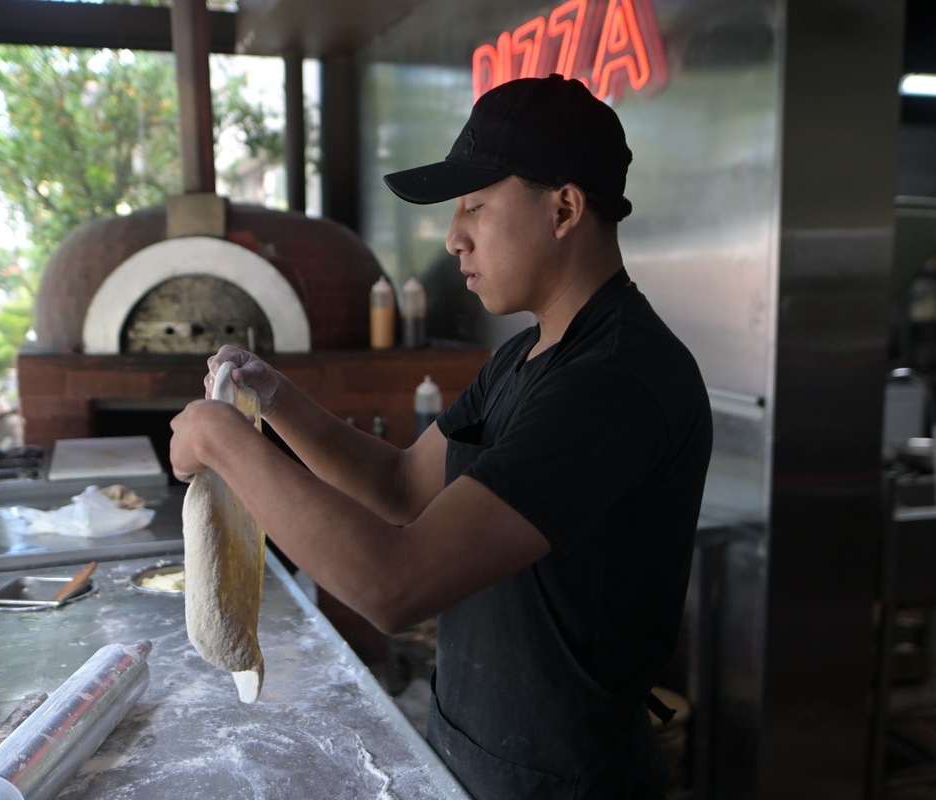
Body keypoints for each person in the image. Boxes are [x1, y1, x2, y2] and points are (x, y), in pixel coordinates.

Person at [170, 74, 713, 799]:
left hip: (565, 782)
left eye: (476, 207)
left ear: (565, 207)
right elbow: (402, 489)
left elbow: (396, 586)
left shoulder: (615, 383)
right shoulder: (523, 358)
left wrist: (222, 442)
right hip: (472, 752)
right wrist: (274, 401)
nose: (454, 237)